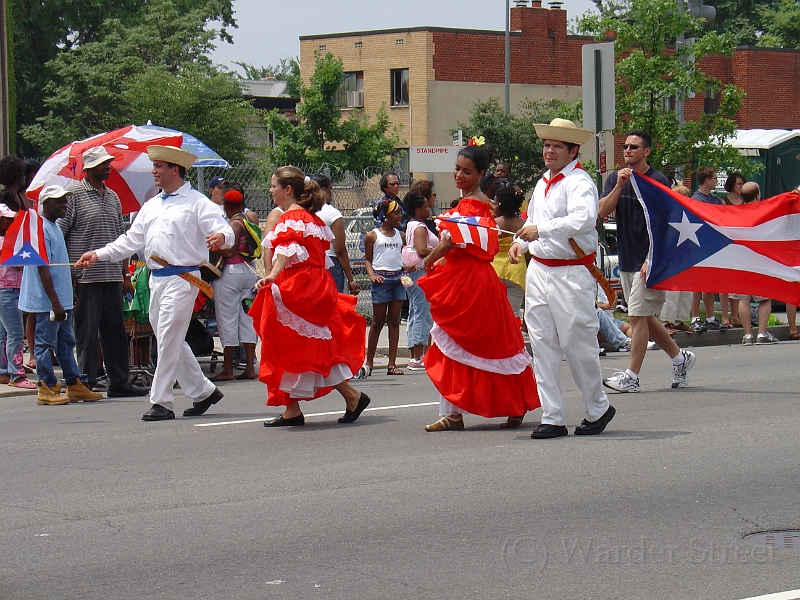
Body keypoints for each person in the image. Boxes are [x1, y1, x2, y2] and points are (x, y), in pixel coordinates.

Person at [75, 145, 235, 421]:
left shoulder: (197, 202)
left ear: (175, 169)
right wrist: (98, 254)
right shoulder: (151, 205)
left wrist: (222, 238)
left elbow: (223, 229)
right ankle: (203, 391)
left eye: (159, 166)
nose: (154, 171)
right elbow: (130, 241)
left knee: (169, 338)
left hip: (182, 278)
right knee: (166, 336)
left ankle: (161, 401)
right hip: (156, 279)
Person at [421, 144, 538, 431]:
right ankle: (503, 406)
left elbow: (451, 242)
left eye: (466, 171)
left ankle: (455, 413)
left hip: (468, 281)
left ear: (481, 174)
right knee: (480, 342)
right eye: (458, 168)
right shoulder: (479, 205)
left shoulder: (471, 206)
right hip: (472, 279)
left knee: (459, 341)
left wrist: (429, 260)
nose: (459, 174)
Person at [509, 118, 613, 438]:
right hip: (540, 269)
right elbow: (533, 221)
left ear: (573, 151)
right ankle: (552, 415)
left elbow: (584, 219)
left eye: (556, 146)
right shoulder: (543, 183)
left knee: (576, 342)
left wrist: (541, 230)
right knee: (542, 345)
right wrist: (520, 242)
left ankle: (597, 407)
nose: (549, 151)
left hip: (570, 271)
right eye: (546, 145)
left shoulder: (579, 181)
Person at [250, 166, 369, 427]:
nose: (271, 190)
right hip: (315, 285)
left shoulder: (290, 218)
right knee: (311, 344)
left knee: (282, 342)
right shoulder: (312, 219)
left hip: (298, 285)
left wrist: (272, 275)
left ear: (287, 189)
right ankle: (338, 399)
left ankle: (330, 400)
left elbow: (287, 250)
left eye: (274, 185)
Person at [598, 130, 695, 394]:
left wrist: (652, 258)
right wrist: (619, 185)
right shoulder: (616, 178)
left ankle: (631, 376)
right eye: (625, 146)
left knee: (637, 316)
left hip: (649, 261)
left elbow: (665, 225)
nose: (627, 151)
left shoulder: (657, 181)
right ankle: (680, 358)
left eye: (634, 147)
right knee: (647, 317)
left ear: (646, 152)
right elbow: (602, 210)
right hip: (628, 258)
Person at [60, 147, 148, 397]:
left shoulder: (113, 197)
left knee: (115, 332)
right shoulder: (74, 195)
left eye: (109, 163)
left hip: (111, 275)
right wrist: (69, 277)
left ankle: (119, 382)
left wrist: (125, 274)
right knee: (86, 333)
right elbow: (61, 234)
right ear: (88, 169)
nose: (108, 167)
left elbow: (121, 239)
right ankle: (84, 383)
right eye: (102, 164)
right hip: (85, 277)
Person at [19, 185, 103, 405]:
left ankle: (73, 382)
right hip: (47, 301)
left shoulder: (54, 227)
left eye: (65, 200)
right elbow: (43, 269)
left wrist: (69, 294)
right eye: (59, 202)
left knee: (66, 342)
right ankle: (45, 386)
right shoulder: (40, 229)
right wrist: (55, 301)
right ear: (45, 203)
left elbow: (58, 267)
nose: (64, 205)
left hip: (60, 299)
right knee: (45, 343)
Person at [209, 183, 259, 381]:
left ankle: (228, 369)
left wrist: (216, 246)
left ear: (226, 205)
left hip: (231, 272)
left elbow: (230, 251)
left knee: (227, 320)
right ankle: (249, 367)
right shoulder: (249, 219)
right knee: (247, 319)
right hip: (248, 271)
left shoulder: (234, 224)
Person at [363, 199, 406, 376]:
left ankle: (392, 364)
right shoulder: (372, 236)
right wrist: (372, 275)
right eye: (396, 213)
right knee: (377, 321)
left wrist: (407, 270)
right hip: (381, 281)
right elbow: (367, 259)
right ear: (385, 216)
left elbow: (405, 256)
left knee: (394, 321)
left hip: (398, 279)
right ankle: (369, 362)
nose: (400, 216)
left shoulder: (401, 236)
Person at [689, 166, 729, 331]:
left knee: (710, 284)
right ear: (707, 181)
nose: (716, 181)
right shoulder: (697, 200)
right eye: (714, 178)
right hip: (699, 245)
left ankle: (711, 318)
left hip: (713, 246)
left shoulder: (715, 199)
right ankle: (695, 317)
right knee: (697, 285)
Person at [401, 192, 437, 370]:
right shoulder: (420, 227)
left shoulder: (410, 225)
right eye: (425, 206)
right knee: (422, 313)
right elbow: (422, 250)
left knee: (414, 311)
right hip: (419, 273)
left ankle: (414, 354)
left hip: (409, 275)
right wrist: (437, 250)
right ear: (418, 209)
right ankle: (419, 355)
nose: (428, 209)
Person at [0, 203, 34, 389]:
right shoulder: (5, 242)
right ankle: (16, 374)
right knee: (15, 333)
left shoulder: (7, 240)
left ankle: (4, 370)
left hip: (8, 290)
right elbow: (15, 263)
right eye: (7, 220)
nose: (10, 223)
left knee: (4, 333)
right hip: (7, 290)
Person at [312, 173, 359, 296]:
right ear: (323, 189)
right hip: (330, 262)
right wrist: (350, 278)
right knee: (334, 304)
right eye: (330, 189)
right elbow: (339, 249)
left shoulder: (302, 211)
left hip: (310, 262)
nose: (331, 193)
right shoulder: (331, 213)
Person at [491, 181, 527, 319]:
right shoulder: (524, 224)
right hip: (517, 271)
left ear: (500, 204)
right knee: (513, 315)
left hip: (495, 270)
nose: (493, 206)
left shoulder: (494, 224)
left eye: (495, 203)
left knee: (495, 315)